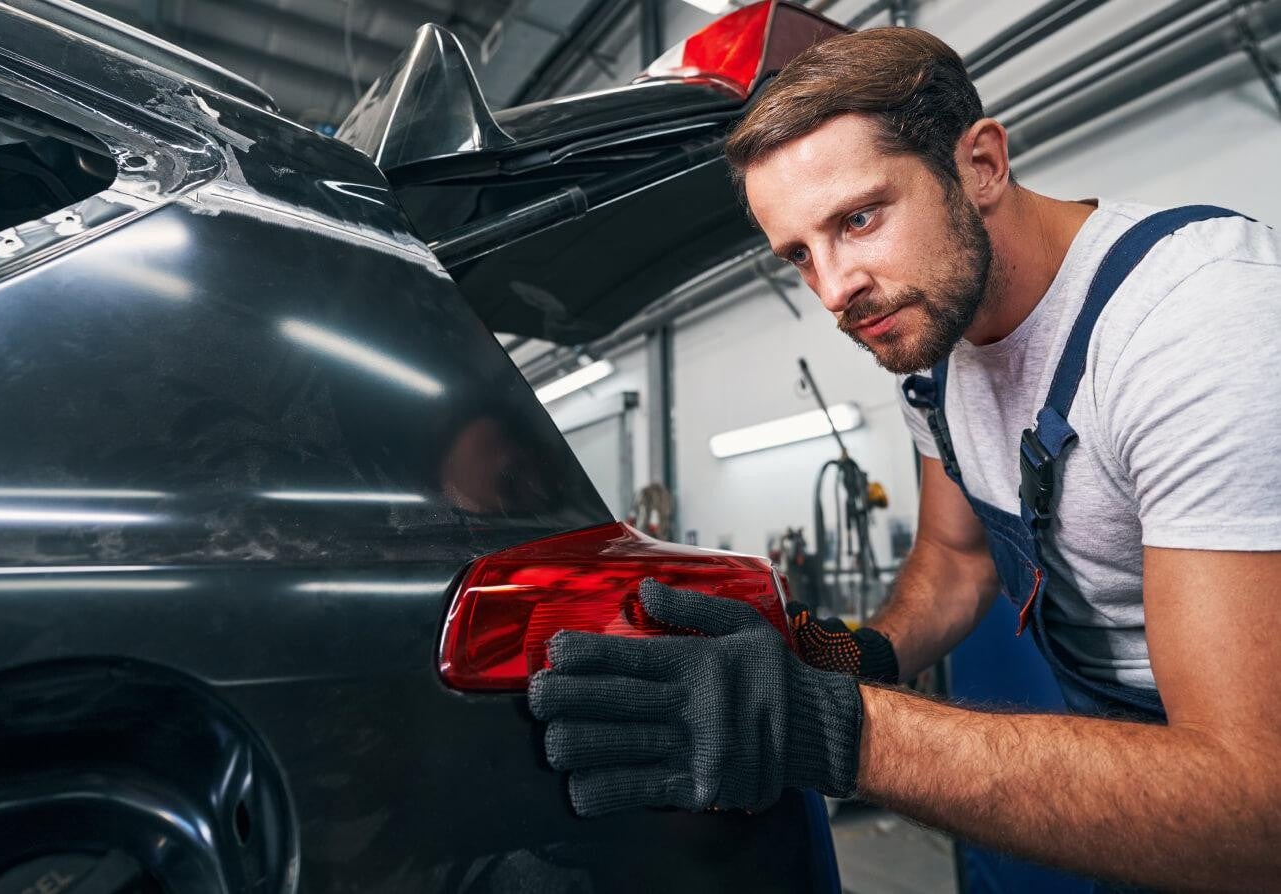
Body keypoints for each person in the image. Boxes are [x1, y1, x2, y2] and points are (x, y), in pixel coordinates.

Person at [528, 26, 1281, 892]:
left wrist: (827, 724)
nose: (834, 290)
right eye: (800, 255)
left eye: (858, 218)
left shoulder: (1195, 323)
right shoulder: (933, 346)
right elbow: (958, 565)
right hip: (1142, 773)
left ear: (982, 165)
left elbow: (1257, 805)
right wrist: (863, 657)